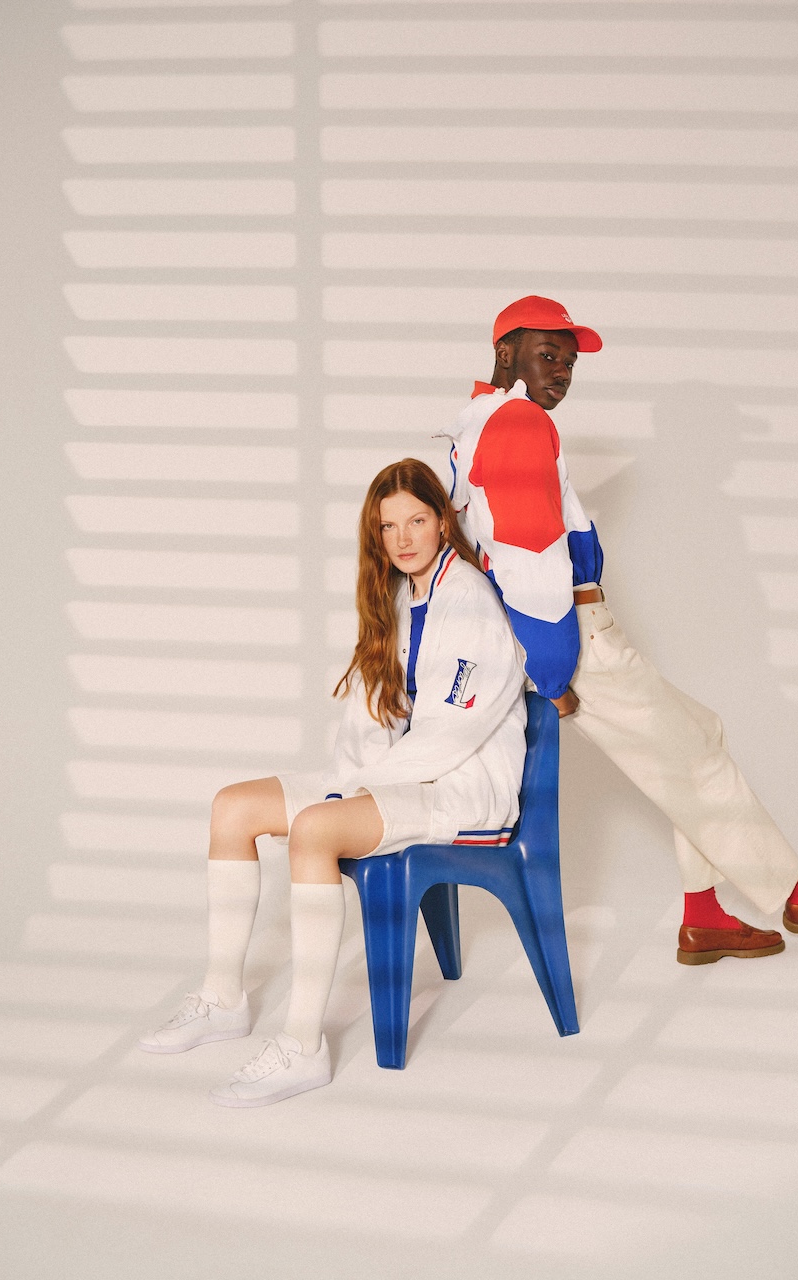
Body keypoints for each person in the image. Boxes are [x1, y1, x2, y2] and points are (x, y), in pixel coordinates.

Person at [441, 295, 798, 964]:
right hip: (569, 635)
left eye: (568, 362)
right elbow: (529, 554)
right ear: (506, 352)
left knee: (698, 734)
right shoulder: (521, 423)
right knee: (696, 754)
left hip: (557, 632)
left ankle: (704, 918)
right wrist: (552, 670)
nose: (561, 372)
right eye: (547, 354)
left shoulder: (475, 421)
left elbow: (480, 542)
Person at [138, 459, 526, 1105]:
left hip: (461, 786)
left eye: (416, 521)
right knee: (233, 807)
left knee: (316, 830)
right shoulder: (400, 598)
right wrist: (349, 781)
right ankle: (223, 998)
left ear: (443, 521)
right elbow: (371, 720)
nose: (403, 538)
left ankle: (302, 1046)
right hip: (394, 778)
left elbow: (452, 734)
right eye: (388, 527)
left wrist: (354, 794)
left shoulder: (470, 601)